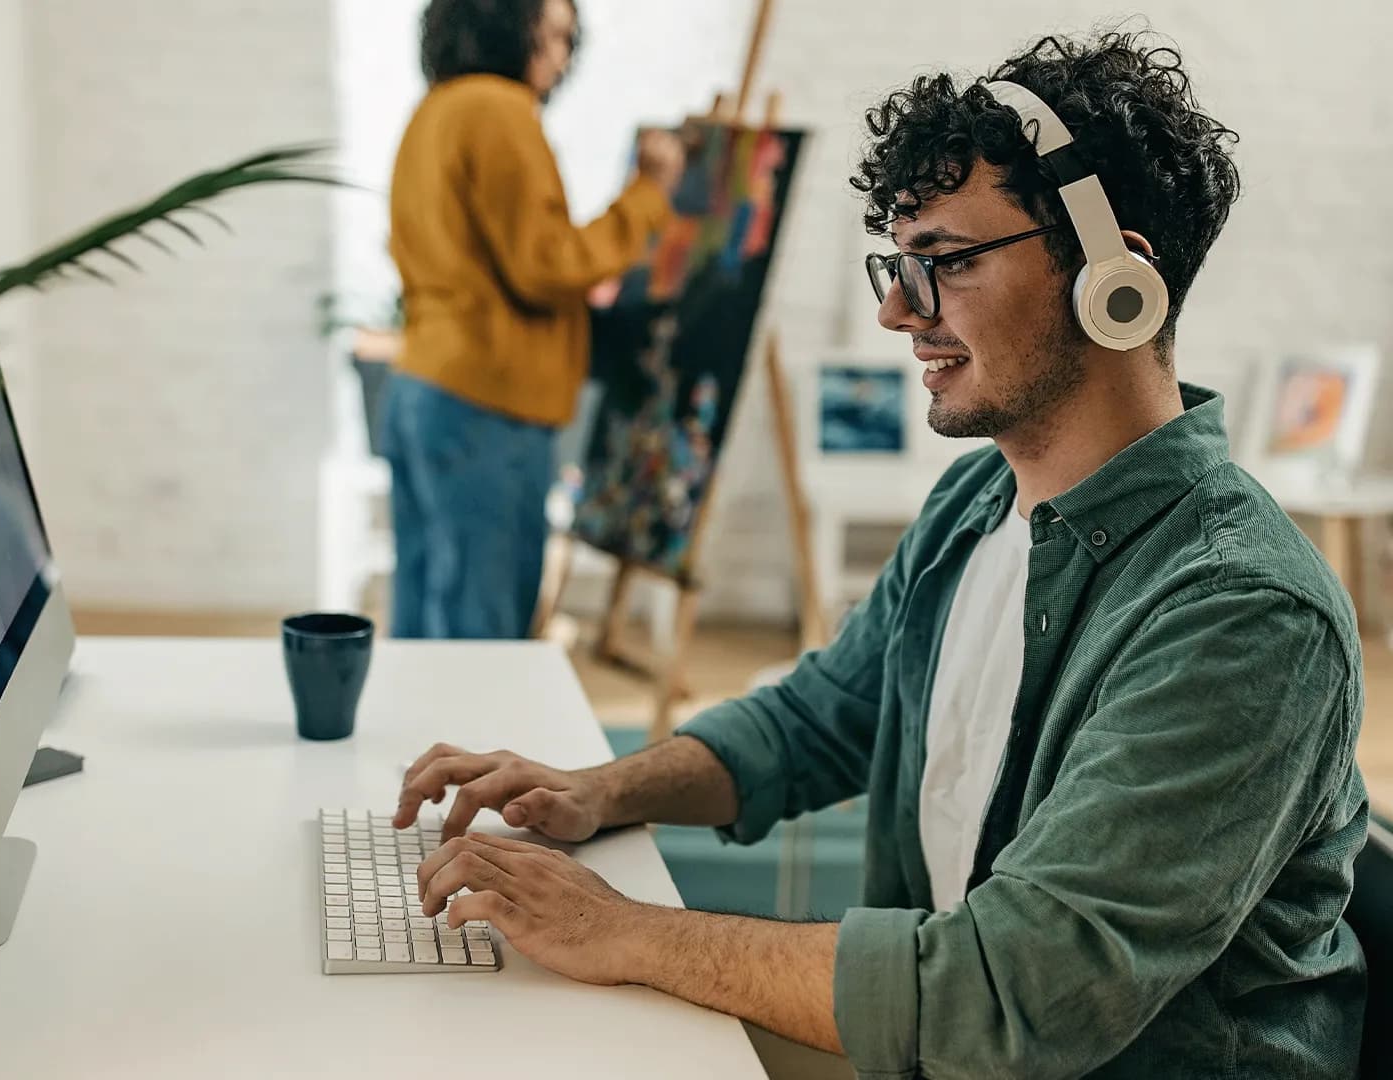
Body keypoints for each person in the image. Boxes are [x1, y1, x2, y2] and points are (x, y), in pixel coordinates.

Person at [394, 29, 1368, 1078]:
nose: (897, 309)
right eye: (899, 265)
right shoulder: (977, 503)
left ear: (1114, 276)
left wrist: (625, 930)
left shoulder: (1238, 611)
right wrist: (601, 790)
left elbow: (1012, 996)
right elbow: (821, 716)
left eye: (942, 262)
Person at [383, 0, 684, 639]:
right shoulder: (498, 110)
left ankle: (419, 740)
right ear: (501, 26)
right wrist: (646, 195)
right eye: (549, 35)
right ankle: (473, 739)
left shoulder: (434, 107)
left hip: (423, 382)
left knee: (423, 609)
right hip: (486, 397)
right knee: (483, 626)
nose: (561, 56)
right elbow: (547, 267)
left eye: (568, 39)